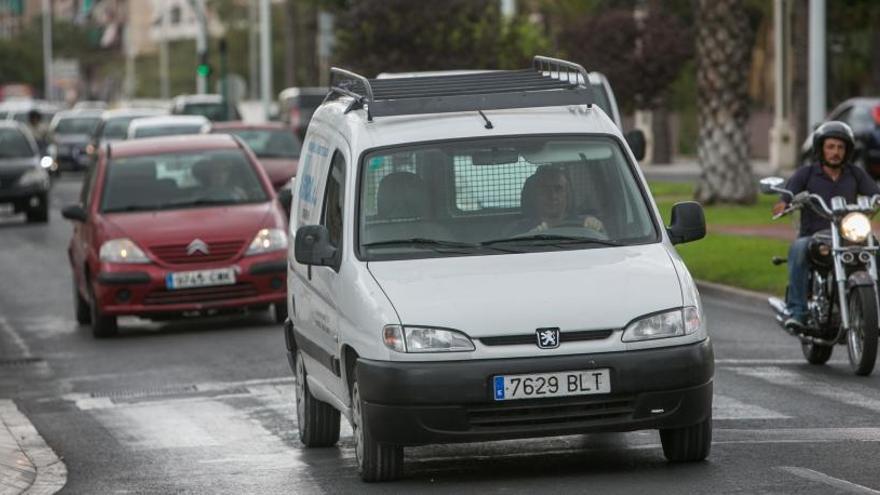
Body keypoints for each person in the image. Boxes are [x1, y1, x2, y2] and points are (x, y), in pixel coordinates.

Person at [772, 121, 880, 330]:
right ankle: (798, 310)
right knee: (798, 248)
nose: (835, 152)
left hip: (849, 235)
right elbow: (787, 196)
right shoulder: (807, 173)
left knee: (876, 248)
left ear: (847, 150)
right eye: (830, 147)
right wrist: (784, 204)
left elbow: (874, 193)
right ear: (821, 149)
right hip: (814, 236)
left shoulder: (855, 173)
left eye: (840, 147)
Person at [517, 166, 604, 234]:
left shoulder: (585, 224)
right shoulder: (518, 230)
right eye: (545, 189)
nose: (552, 196)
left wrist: (597, 228)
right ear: (534, 195)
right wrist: (530, 238)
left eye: (558, 189)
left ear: (567, 194)